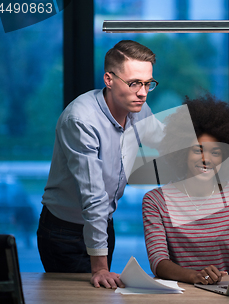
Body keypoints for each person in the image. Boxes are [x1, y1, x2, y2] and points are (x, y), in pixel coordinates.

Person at [37, 40, 164, 291]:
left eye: (148, 83)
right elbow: (94, 197)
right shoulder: (81, 119)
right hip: (65, 232)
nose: (143, 92)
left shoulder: (138, 107)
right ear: (108, 79)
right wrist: (100, 268)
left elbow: (162, 146)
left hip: (104, 224)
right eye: (134, 83)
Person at [143, 95, 229, 286]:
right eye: (197, 150)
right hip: (179, 295)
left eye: (215, 152)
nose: (206, 159)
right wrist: (194, 276)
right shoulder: (156, 201)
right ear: (182, 152)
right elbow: (158, 262)